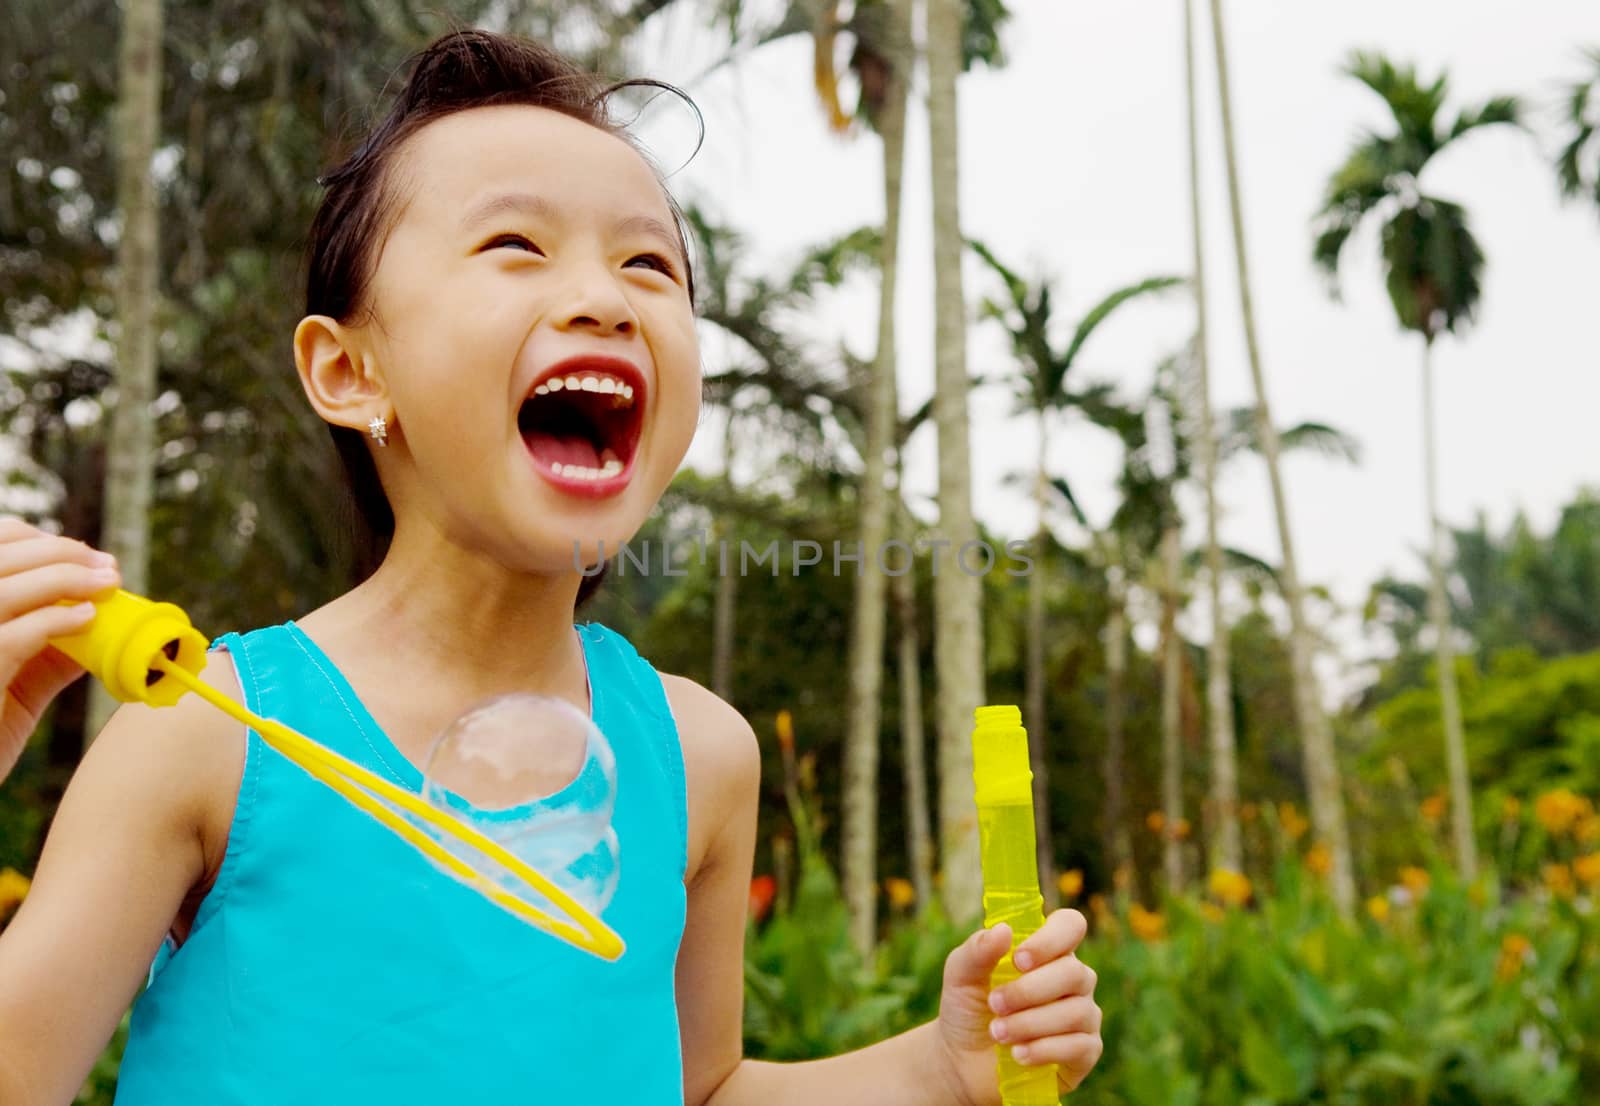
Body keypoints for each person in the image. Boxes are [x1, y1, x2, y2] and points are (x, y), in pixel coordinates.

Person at [0, 29, 1102, 1105]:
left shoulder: (700, 753)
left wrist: (935, 1070)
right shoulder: (205, 734)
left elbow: (698, 1084)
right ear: (347, 370)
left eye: (649, 264)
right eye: (515, 247)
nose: (604, 299)